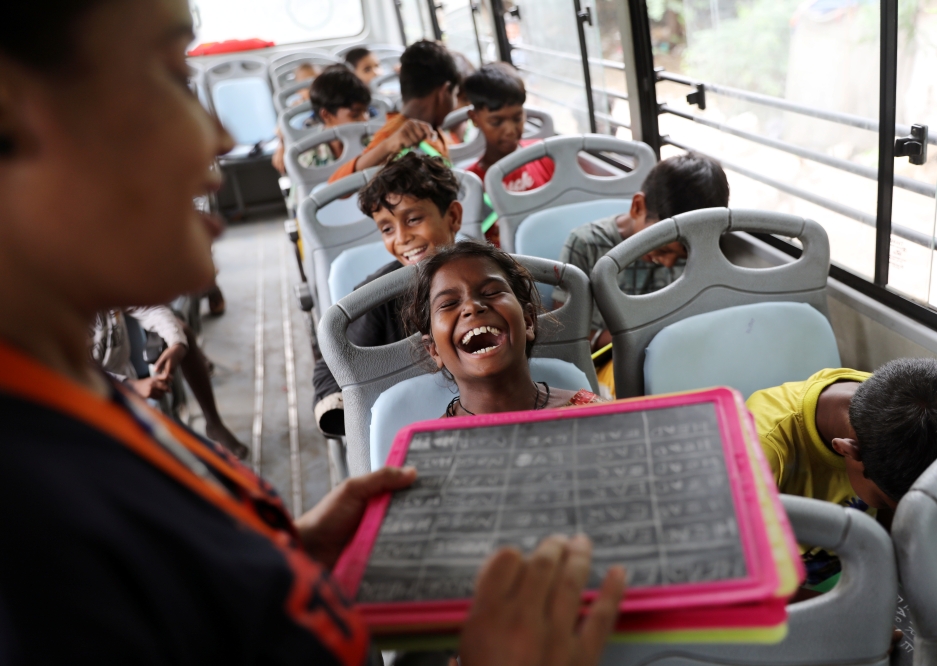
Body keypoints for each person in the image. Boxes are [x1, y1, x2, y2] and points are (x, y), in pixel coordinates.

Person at [0, 0, 626, 662]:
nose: (213, 135)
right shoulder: (31, 523)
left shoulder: (84, 400)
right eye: (168, 75)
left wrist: (282, 554)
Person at [746, 359, 937, 587]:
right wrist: (852, 617)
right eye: (884, 501)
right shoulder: (753, 457)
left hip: (851, 558)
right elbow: (731, 580)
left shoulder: (894, 405)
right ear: (847, 451)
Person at [551, 152, 729, 395]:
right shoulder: (586, 245)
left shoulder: (699, 248)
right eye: (664, 248)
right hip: (608, 364)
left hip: (674, 355)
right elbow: (566, 333)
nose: (668, 263)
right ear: (638, 206)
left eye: (679, 257)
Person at [312, 152, 463, 437]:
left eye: (414, 219)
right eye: (387, 229)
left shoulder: (496, 278)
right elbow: (332, 368)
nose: (402, 238)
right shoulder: (377, 297)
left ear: (453, 216)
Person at [402, 241, 604, 418]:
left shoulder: (594, 413)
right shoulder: (432, 450)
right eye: (449, 303)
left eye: (491, 292)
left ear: (528, 321)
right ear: (434, 350)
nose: (472, 307)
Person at [92, 306, 249, 459]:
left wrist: (176, 342)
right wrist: (130, 385)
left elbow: (147, 306)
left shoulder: (99, 283)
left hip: (128, 395)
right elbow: (74, 374)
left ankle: (213, 424)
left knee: (182, 333)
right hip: (91, 406)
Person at [328, 40, 460, 182]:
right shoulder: (393, 136)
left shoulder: (436, 131)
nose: (456, 103)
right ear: (444, 92)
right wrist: (387, 146)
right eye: (455, 95)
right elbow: (336, 184)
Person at [461, 62, 555, 246]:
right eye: (496, 122)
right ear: (474, 118)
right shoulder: (471, 184)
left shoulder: (545, 156)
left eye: (517, 118)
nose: (510, 130)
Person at [272, 66, 370, 176]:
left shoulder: (372, 143)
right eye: (355, 115)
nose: (364, 119)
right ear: (327, 115)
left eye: (366, 112)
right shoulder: (309, 158)